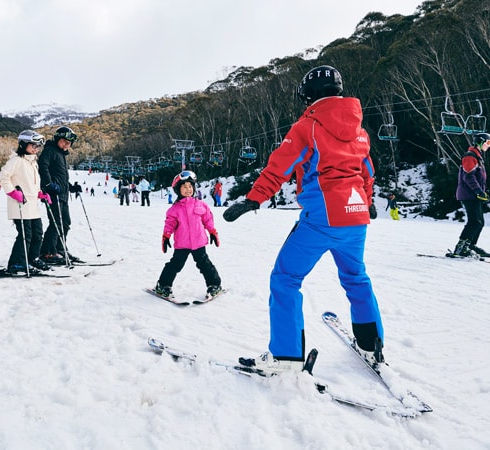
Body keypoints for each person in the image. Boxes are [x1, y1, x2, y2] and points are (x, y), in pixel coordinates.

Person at [223, 65, 383, 373]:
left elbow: (279, 167)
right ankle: (371, 346)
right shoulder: (360, 131)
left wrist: (253, 199)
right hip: (356, 217)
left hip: (322, 219)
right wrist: (369, 201)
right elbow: (367, 172)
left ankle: (286, 355)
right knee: (356, 278)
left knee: (285, 279)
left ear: (307, 96)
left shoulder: (307, 127)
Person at [155, 171, 222, 299]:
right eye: (184, 187)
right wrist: (166, 236)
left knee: (205, 264)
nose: (188, 189)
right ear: (178, 189)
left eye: (190, 186)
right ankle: (163, 285)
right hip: (182, 243)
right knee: (175, 265)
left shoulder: (201, 205)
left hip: (198, 242)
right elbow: (169, 224)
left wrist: (212, 231)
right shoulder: (174, 209)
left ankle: (214, 284)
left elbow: (208, 219)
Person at [0, 130, 52, 275]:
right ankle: (16, 263)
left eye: (38, 146)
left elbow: (32, 182)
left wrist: (40, 193)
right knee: (25, 235)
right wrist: (12, 192)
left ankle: (32, 257)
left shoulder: (33, 162)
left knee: (37, 233)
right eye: (33, 145)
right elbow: (3, 177)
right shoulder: (16, 160)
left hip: (32, 205)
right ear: (23, 144)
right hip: (20, 205)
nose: (35, 149)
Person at [38, 126, 81, 265]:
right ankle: (47, 252)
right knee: (56, 222)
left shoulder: (61, 154)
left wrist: (71, 187)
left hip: (62, 194)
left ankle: (60, 249)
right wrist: (48, 184)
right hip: (52, 194)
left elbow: (60, 177)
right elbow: (43, 168)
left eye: (69, 142)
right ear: (57, 139)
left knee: (66, 223)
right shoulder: (49, 151)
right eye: (64, 141)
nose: (67, 144)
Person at [452, 132, 490, 257]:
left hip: (474, 194)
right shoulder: (470, 156)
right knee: (474, 222)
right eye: (488, 143)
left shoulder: (477, 156)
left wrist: (481, 192)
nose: (489, 146)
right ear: (481, 142)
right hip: (469, 194)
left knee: (479, 222)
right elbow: (468, 176)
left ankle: (470, 246)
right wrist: (478, 191)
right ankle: (460, 248)